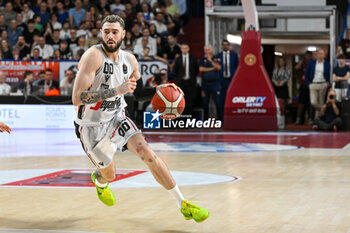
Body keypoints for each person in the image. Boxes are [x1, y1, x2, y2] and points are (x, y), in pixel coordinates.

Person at [72, 15, 209, 222]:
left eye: (114, 32)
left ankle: (184, 204)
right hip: (90, 126)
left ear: (123, 34)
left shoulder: (130, 61)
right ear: (101, 33)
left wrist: (158, 90)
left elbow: (137, 94)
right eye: (106, 31)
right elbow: (77, 98)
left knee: (148, 152)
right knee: (110, 175)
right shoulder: (93, 56)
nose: (110, 35)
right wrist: (115, 90)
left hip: (117, 116)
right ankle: (100, 181)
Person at [173, 43, 198, 115]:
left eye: (186, 48)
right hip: (181, 82)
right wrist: (179, 79)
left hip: (190, 82)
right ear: (181, 49)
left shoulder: (193, 58)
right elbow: (175, 70)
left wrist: (192, 77)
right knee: (181, 100)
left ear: (188, 49)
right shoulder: (178, 59)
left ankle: (189, 117)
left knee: (190, 100)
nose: (184, 49)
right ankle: (182, 117)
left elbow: (196, 70)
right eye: (183, 48)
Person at [199, 45, 223, 121]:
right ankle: (206, 121)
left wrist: (211, 61)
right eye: (205, 50)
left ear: (211, 50)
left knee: (218, 103)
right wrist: (212, 68)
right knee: (205, 103)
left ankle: (220, 120)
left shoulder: (216, 58)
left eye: (208, 49)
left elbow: (218, 67)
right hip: (205, 84)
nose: (207, 51)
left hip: (215, 84)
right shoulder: (203, 59)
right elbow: (201, 69)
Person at [305, 49, 330, 119]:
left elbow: (329, 75)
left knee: (321, 101)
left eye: (322, 54)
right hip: (313, 84)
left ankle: (317, 121)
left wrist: (327, 83)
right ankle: (323, 109)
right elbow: (306, 74)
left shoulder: (327, 64)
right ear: (316, 55)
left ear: (324, 55)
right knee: (313, 102)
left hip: (323, 84)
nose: (320, 55)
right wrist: (308, 83)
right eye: (319, 54)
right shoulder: (311, 63)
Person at [215, 39, 238, 108]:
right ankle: (221, 117)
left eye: (226, 45)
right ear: (222, 46)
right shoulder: (218, 56)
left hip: (231, 80)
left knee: (232, 98)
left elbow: (237, 67)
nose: (225, 46)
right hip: (221, 80)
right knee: (221, 100)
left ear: (229, 46)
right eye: (224, 45)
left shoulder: (234, 55)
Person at [295, 51, 312, 125]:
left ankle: (310, 119)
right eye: (306, 56)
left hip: (310, 86)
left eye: (309, 56)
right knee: (301, 104)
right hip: (302, 86)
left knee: (310, 104)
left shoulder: (312, 64)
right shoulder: (303, 63)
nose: (307, 57)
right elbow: (296, 68)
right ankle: (298, 119)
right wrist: (301, 61)